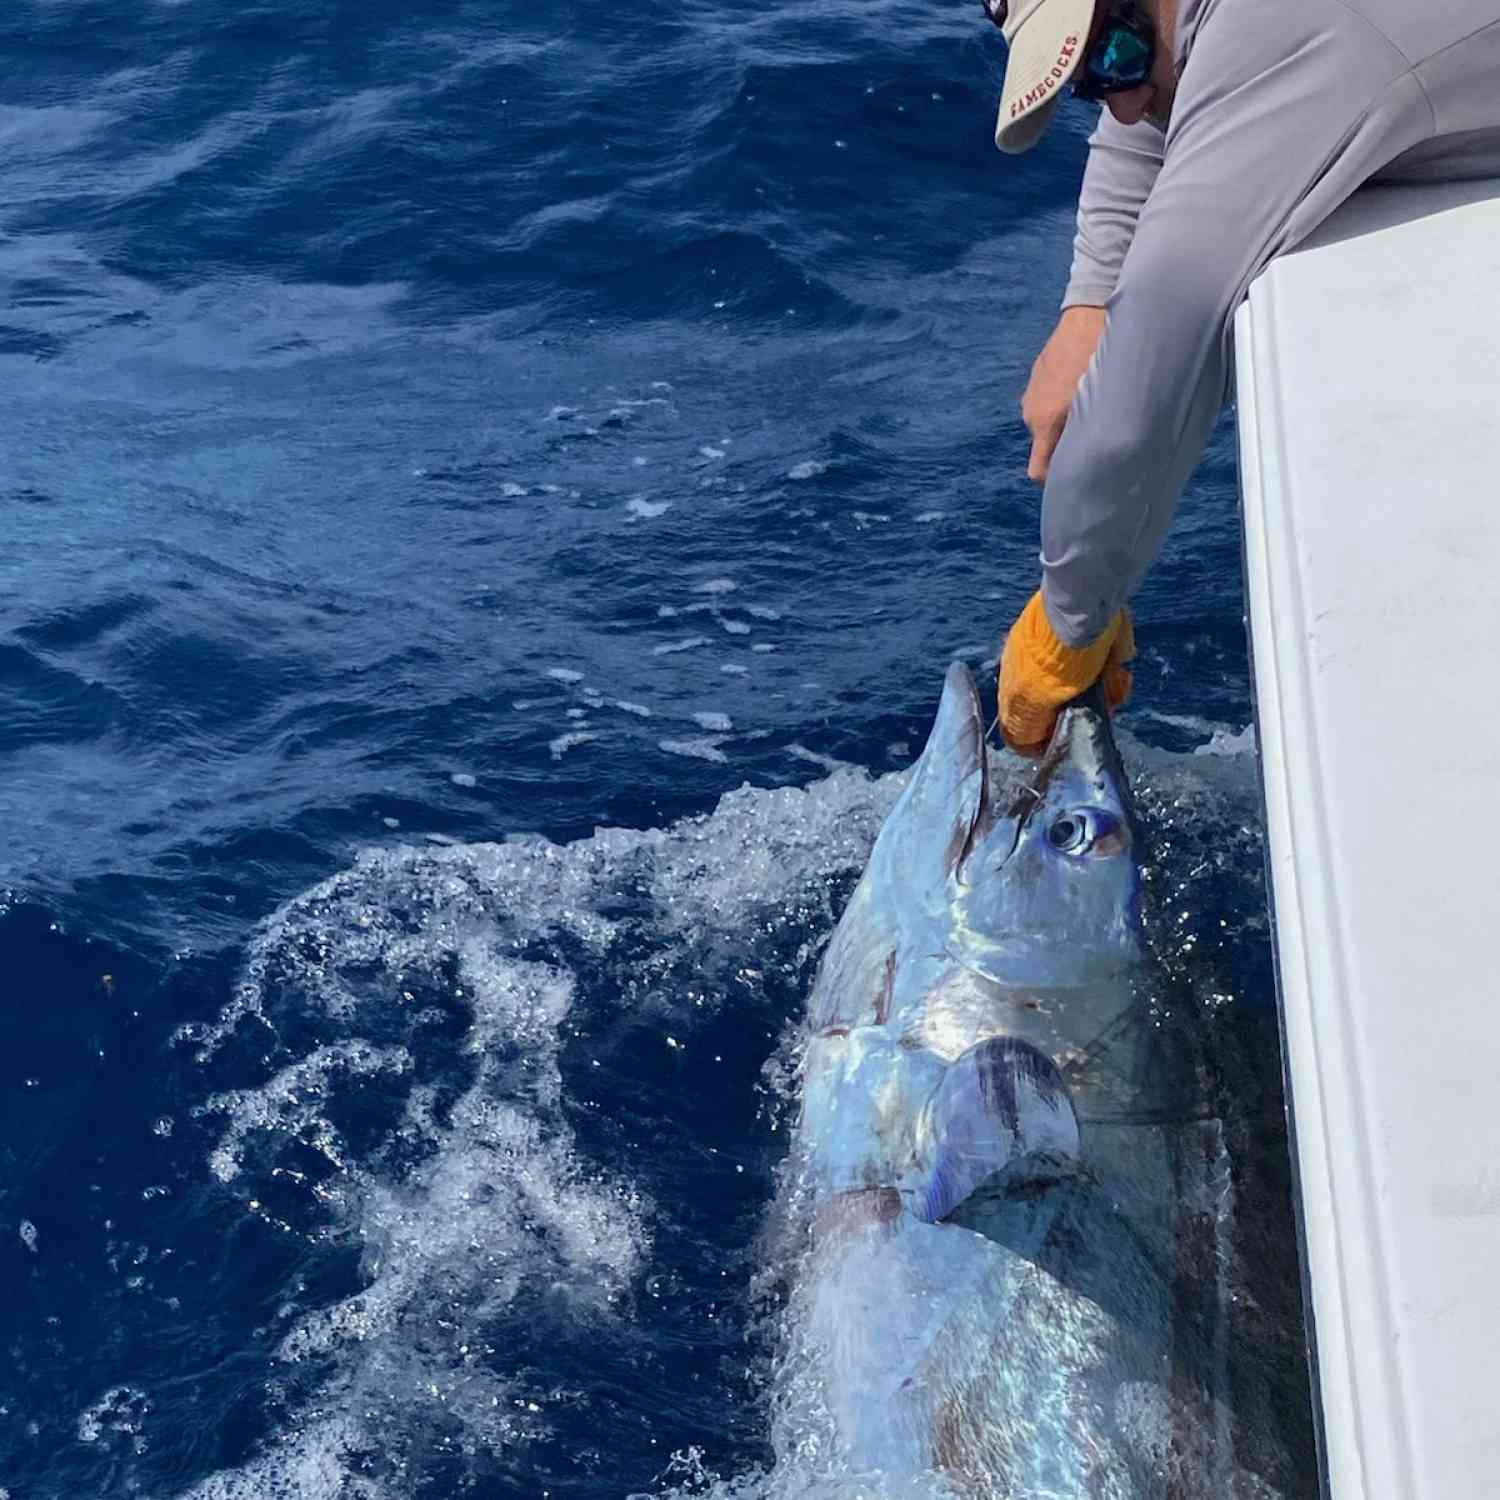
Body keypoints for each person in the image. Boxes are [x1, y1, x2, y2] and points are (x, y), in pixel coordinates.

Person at [989, 0, 1500, 754]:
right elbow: (1163, 106)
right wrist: (1092, 300)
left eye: (1116, 57)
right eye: (1090, 83)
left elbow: (1142, 399)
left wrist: (1067, 626)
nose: (1122, 108)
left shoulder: (1281, 34)